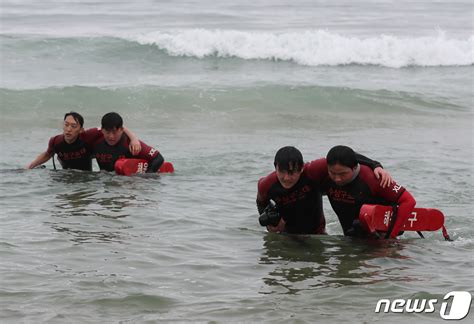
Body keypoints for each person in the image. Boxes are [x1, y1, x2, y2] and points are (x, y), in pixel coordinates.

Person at [256, 146, 391, 235]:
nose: (286, 178)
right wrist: (270, 223)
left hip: (318, 234)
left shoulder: (312, 172)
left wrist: (375, 165)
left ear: (302, 168)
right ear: (275, 167)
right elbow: (261, 202)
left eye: (292, 173)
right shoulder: (267, 184)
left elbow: (343, 156)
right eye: (282, 172)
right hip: (287, 234)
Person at [323, 145, 416, 239]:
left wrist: (391, 236)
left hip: (381, 234)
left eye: (343, 174)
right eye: (332, 173)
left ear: (354, 167)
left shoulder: (375, 178)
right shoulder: (322, 171)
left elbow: (408, 201)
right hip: (352, 235)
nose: (337, 179)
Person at [27, 112, 141, 171]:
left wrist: (134, 139)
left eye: (73, 126)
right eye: (66, 125)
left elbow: (114, 127)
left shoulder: (88, 136)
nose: (68, 129)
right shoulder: (56, 141)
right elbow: (47, 154)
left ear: (81, 130)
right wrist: (29, 167)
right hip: (66, 176)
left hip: (86, 178)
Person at [92, 112, 164, 173]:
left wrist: (146, 178)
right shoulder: (95, 141)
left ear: (122, 130)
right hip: (105, 181)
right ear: (102, 130)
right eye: (107, 132)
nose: (111, 136)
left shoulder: (130, 143)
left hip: (128, 184)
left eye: (115, 133)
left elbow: (158, 158)